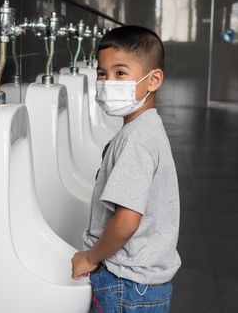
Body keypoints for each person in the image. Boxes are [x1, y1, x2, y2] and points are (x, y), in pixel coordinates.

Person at [71, 25, 181, 313]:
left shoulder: (137, 140)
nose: (108, 82)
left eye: (120, 73)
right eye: (102, 73)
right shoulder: (144, 128)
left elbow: (127, 220)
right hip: (140, 284)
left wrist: (91, 257)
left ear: (153, 80)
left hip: (125, 283)